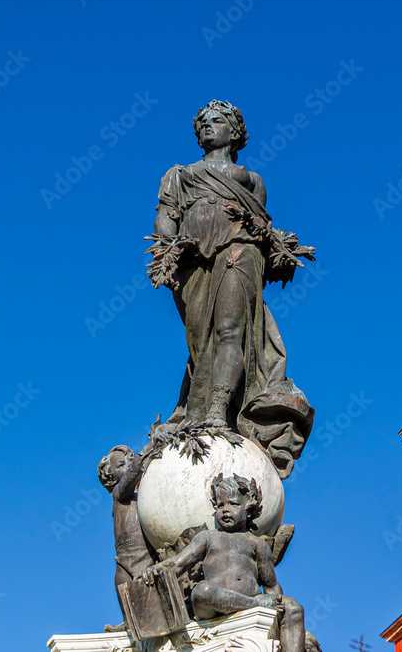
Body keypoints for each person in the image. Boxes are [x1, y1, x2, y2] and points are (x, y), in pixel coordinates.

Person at [147, 100, 314, 478]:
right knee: (200, 343)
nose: (208, 126)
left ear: (235, 131)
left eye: (218, 121)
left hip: (240, 250)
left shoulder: (252, 181)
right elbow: (166, 215)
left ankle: (218, 415)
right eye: (202, 122)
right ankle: (197, 407)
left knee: (230, 333)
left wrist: (276, 247)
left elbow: (260, 224)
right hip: (192, 261)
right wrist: (169, 249)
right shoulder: (180, 174)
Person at [140, 473, 305, 652]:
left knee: (294, 608)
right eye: (220, 505)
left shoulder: (258, 543)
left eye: (233, 504)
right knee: (202, 591)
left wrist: (278, 604)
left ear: (249, 507)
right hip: (213, 604)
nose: (225, 509)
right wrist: (156, 568)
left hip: (252, 597)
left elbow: (271, 584)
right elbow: (178, 563)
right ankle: (255, 605)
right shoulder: (207, 537)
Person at [97, 445, 158, 631]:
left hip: (147, 560)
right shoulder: (119, 494)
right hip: (124, 563)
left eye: (130, 463)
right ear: (110, 476)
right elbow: (131, 476)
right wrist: (145, 455)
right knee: (131, 611)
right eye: (122, 464)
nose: (128, 467)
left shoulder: (144, 496)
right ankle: (128, 624)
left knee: (151, 615)